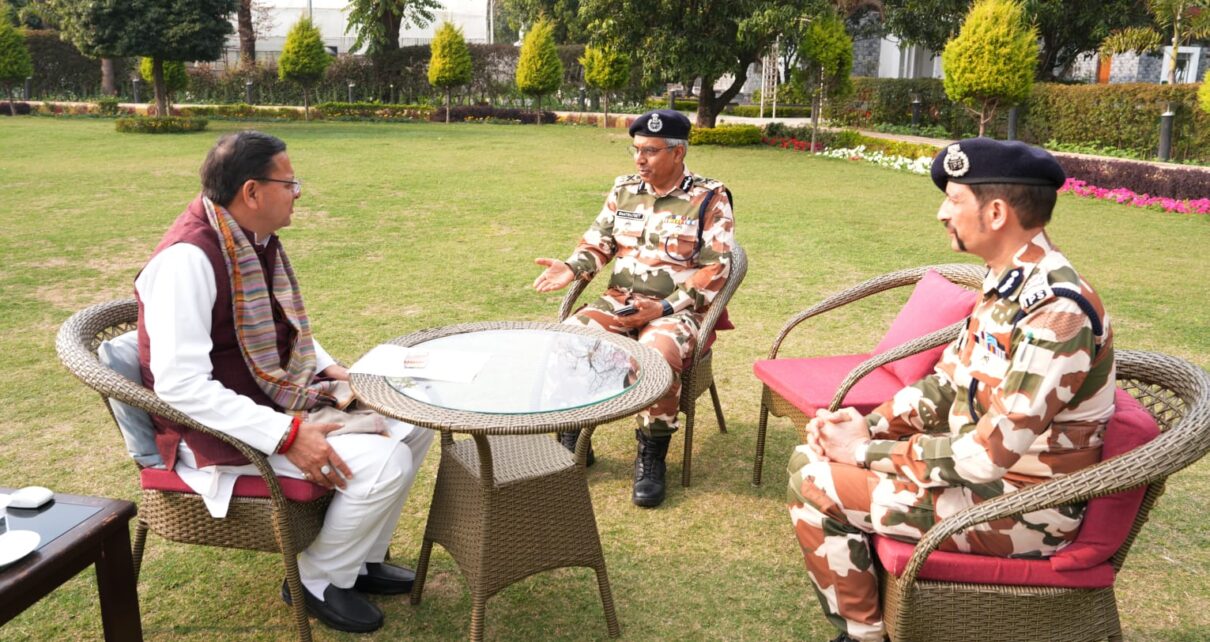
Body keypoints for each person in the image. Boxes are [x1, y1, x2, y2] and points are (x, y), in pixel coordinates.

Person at [786, 138, 1115, 642]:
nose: (942, 212)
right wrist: (868, 426)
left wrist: (866, 452)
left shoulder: (1057, 312)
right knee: (810, 455)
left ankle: (863, 637)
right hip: (982, 484)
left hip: (1023, 509)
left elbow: (987, 457)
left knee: (816, 482)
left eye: (954, 199)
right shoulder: (1008, 283)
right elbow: (947, 383)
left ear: (997, 213)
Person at [135, 131, 434, 634]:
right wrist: (287, 435)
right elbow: (180, 386)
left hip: (269, 400)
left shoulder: (248, 240)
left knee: (413, 420)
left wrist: (333, 370)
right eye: (289, 183)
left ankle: (360, 559)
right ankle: (314, 580)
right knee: (386, 459)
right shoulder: (188, 260)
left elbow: (281, 329)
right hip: (213, 434)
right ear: (252, 192)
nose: (298, 193)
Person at [532, 109, 736, 508]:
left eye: (650, 151)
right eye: (636, 150)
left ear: (678, 153)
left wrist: (663, 307)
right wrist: (572, 267)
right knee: (568, 339)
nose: (639, 160)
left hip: (675, 309)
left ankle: (651, 453)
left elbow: (717, 268)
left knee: (657, 355)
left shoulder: (710, 197)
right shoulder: (624, 189)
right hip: (619, 302)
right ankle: (574, 435)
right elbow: (599, 242)